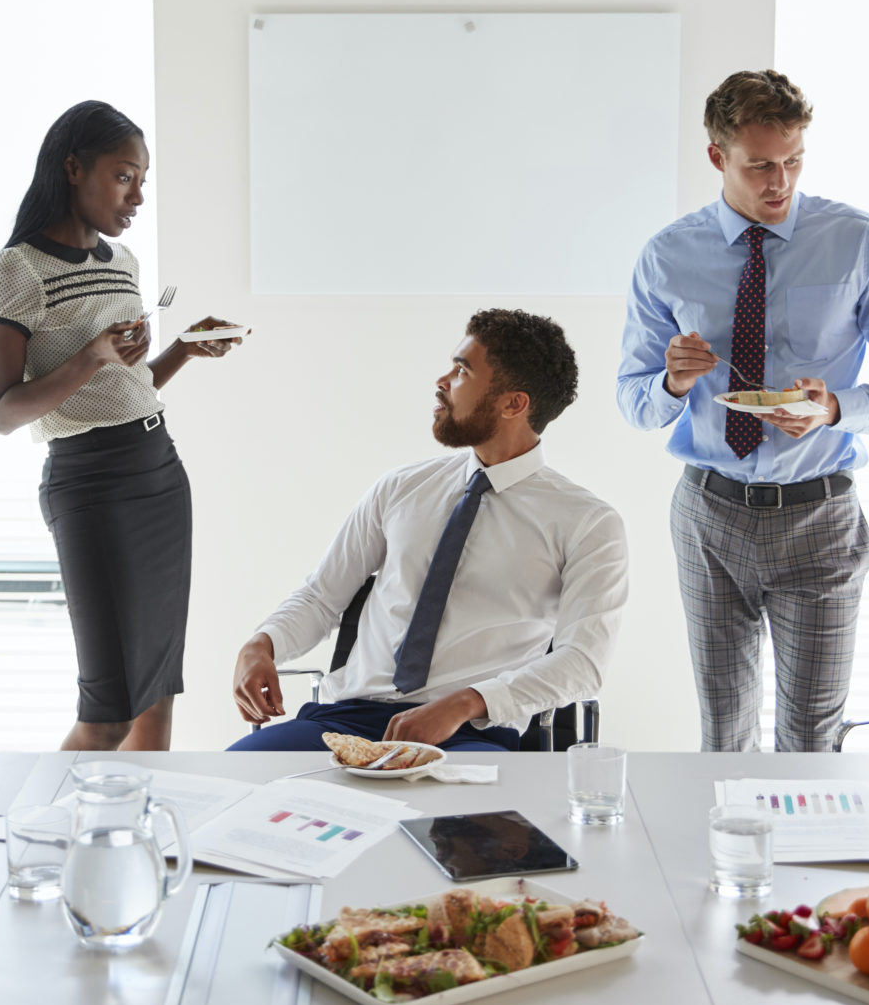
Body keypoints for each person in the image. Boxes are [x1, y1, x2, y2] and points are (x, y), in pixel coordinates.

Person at [617, 68, 869, 753]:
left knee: (811, 737)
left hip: (820, 516)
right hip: (709, 513)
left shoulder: (860, 242)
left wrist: (836, 410)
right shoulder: (667, 257)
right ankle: (730, 863)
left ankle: (806, 857)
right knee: (724, 729)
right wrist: (671, 383)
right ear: (717, 157)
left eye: (793, 161)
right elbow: (633, 402)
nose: (779, 182)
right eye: (760, 165)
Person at [229, 310, 628, 752]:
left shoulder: (588, 522)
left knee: (467, 820)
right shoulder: (401, 488)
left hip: (471, 734)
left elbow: (583, 662)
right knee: (237, 786)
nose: (442, 380)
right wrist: (261, 644)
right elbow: (323, 596)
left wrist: (465, 703)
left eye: (462, 370)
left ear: (514, 404)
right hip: (349, 720)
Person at [0, 100, 243, 752]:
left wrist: (182, 349)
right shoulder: (17, 271)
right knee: (107, 714)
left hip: (158, 472)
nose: (138, 196)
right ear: (74, 167)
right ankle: (31, 838)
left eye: (143, 179)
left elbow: (127, 385)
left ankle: (138, 850)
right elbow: (2, 411)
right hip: (90, 485)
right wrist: (91, 354)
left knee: (154, 700)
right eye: (125, 176)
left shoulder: (122, 262)